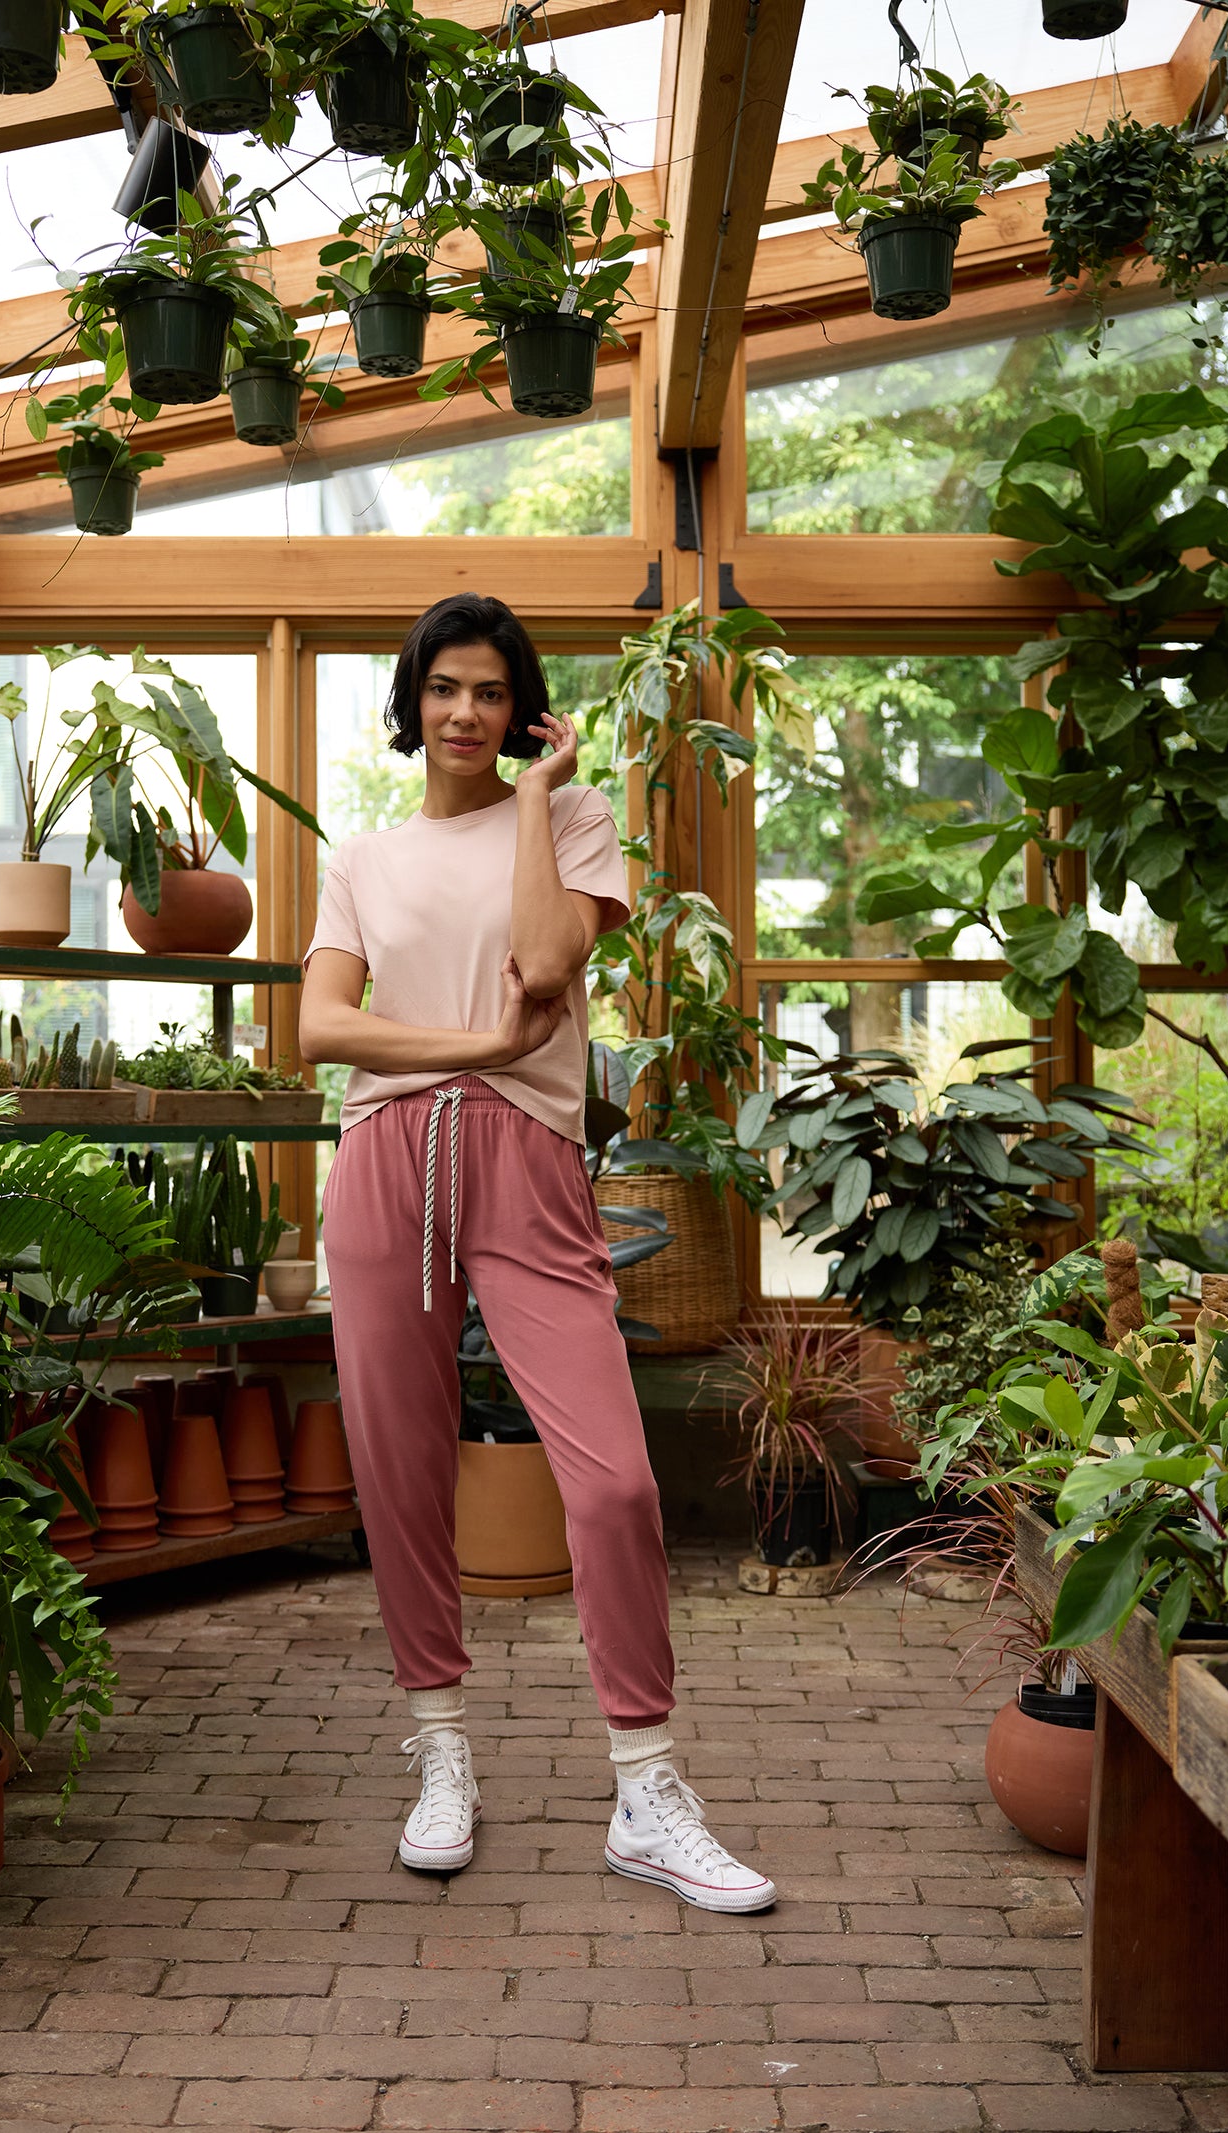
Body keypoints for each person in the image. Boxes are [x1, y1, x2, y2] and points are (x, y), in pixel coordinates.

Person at [298, 592, 775, 1914]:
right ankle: (441, 1750)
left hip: (528, 1163)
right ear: (415, 700)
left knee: (615, 1482)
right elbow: (322, 1030)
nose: (465, 712)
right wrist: (466, 1047)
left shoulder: (566, 819)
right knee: (397, 1471)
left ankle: (646, 1784)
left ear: (523, 713)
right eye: (444, 688)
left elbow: (546, 957)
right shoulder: (364, 857)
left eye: (491, 693)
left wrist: (539, 798)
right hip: (390, 1162)